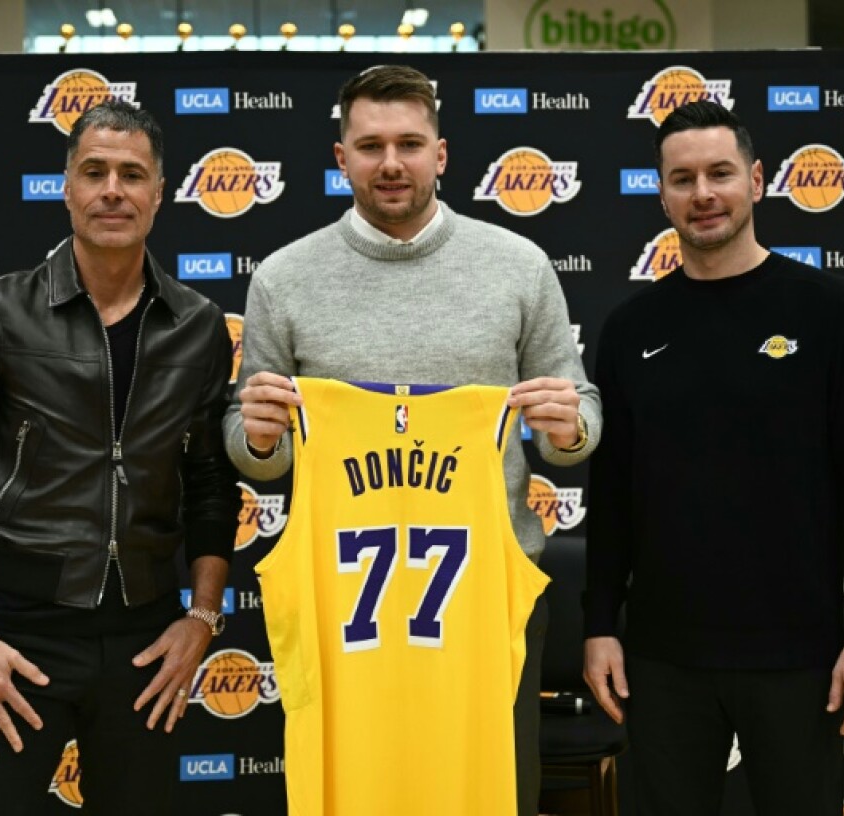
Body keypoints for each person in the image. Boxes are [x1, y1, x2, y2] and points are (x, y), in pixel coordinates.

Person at [225, 65, 601, 816]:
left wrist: (569, 430)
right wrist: (258, 438)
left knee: (490, 795)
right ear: (341, 158)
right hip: (344, 604)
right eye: (370, 146)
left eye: (409, 143)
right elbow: (249, 436)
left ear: (442, 154)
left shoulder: (518, 266)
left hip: (486, 599)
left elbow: (577, 417)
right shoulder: (284, 278)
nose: (390, 162)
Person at [0, 100, 239, 816]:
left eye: (131, 173)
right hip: (17, 636)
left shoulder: (199, 326)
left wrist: (202, 618)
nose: (112, 189)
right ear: (67, 186)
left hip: (147, 643)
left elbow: (213, 485)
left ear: (160, 191)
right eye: (94, 171)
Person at [583, 100, 844, 815]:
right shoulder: (631, 328)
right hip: (661, 662)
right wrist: (601, 623)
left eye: (720, 173)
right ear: (661, 193)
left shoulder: (832, 311)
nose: (703, 193)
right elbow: (611, 498)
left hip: (800, 657)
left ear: (756, 181)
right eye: (683, 177)